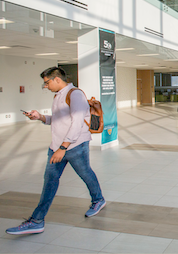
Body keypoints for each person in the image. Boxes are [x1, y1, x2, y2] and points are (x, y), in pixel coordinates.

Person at [6, 67, 105, 235]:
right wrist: (40, 117)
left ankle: (98, 199)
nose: (45, 86)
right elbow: (59, 120)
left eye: (46, 82)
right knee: (50, 182)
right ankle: (37, 221)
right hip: (57, 147)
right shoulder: (58, 96)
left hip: (74, 146)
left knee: (85, 173)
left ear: (57, 79)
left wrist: (63, 148)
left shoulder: (75, 94)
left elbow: (77, 123)